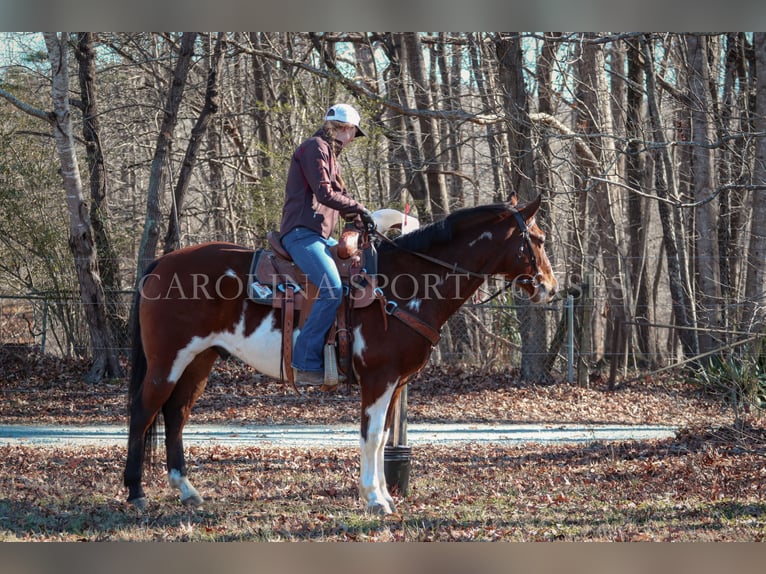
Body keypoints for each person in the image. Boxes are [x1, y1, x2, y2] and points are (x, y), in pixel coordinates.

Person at [279, 103, 376, 386]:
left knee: (356, 274)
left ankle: (343, 354)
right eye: (352, 133)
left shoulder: (330, 155)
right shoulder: (315, 148)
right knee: (332, 289)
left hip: (320, 236)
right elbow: (324, 193)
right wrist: (361, 208)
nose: (351, 139)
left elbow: (339, 196)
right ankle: (306, 362)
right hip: (301, 234)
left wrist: (357, 217)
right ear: (344, 129)